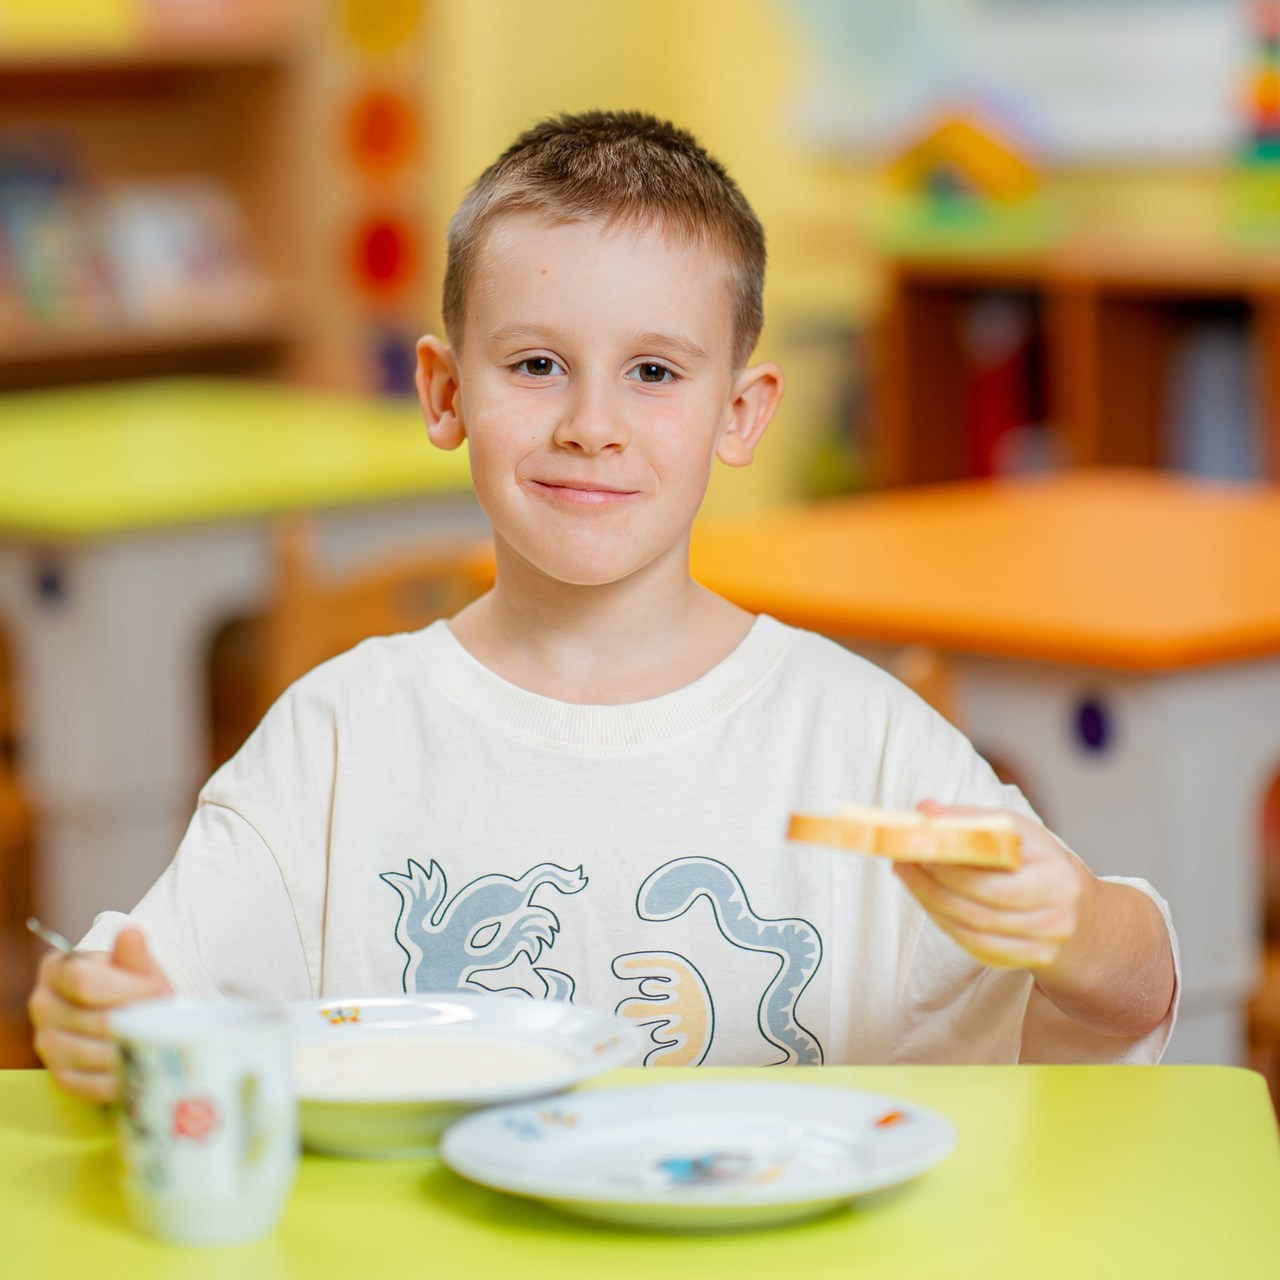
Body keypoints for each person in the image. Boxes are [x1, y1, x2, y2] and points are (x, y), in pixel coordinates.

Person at [30, 111, 1177, 1103]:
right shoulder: (335, 739)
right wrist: (97, 1010)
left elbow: (1130, 996)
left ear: (739, 412)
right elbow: (147, 989)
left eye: (653, 372)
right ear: (443, 391)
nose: (591, 425)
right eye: (535, 365)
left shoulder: (857, 737)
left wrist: (1077, 927)